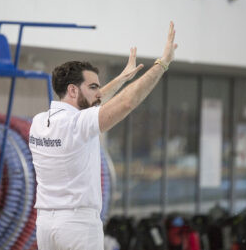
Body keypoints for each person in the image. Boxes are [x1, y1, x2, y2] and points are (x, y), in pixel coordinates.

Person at [29, 21, 178, 250]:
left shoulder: (38, 122)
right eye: (93, 87)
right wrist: (162, 64)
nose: (98, 93)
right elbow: (127, 102)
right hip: (77, 225)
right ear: (72, 90)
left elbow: (92, 104)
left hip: (46, 226)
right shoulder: (78, 124)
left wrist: (121, 79)